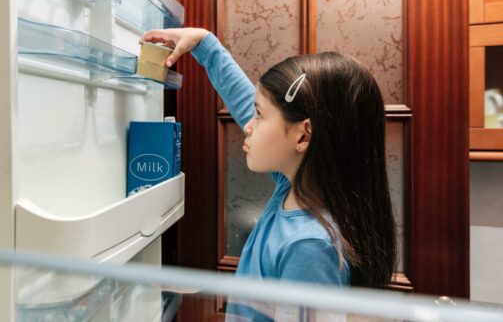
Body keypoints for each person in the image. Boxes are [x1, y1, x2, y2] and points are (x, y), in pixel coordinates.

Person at [140, 28, 396, 321]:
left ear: (303, 136)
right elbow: (242, 99)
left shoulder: (310, 247)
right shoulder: (293, 188)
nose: (248, 125)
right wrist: (205, 45)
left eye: (259, 115)